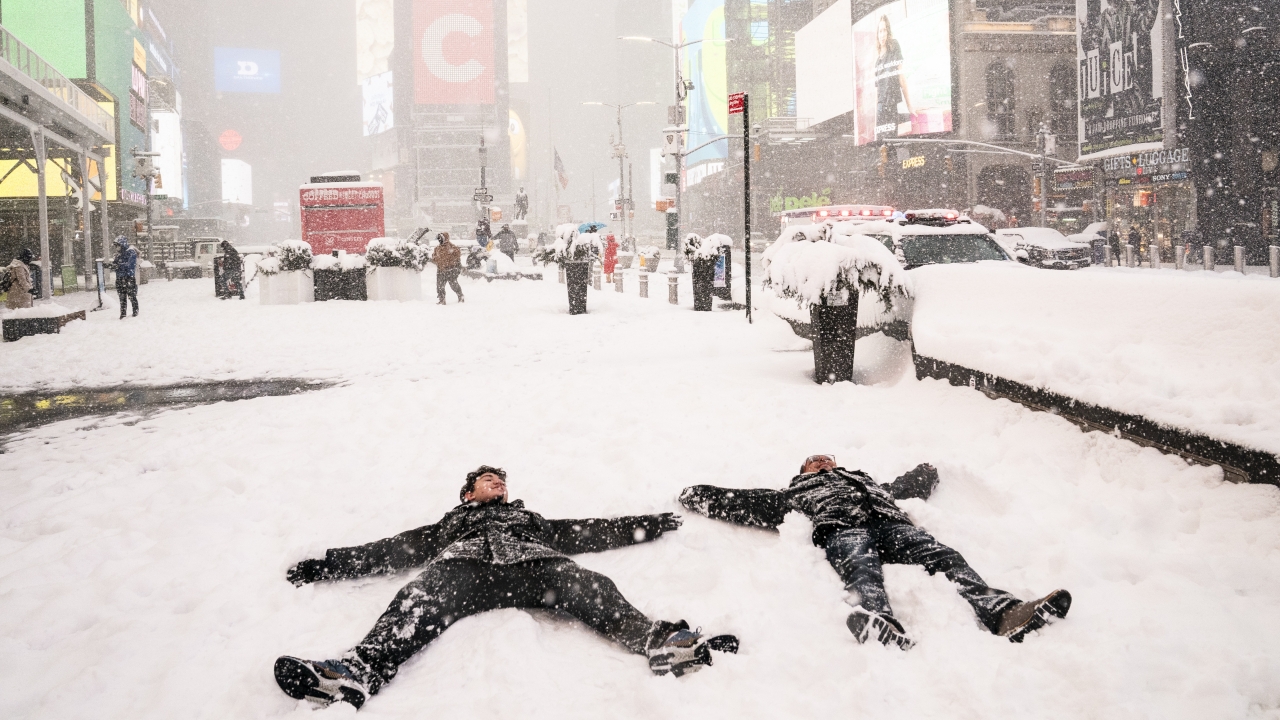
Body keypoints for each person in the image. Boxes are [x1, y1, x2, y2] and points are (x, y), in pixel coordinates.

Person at [275, 465, 737, 708]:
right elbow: (394, 549)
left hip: (536, 569)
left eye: (500, 479)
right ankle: (357, 672)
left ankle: (662, 644)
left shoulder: (528, 519)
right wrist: (328, 565)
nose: (496, 482)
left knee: (589, 582)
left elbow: (585, 531)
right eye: (486, 479)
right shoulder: (449, 526)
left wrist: (646, 523)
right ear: (468, 494)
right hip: (467, 571)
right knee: (420, 595)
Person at [679, 454, 1071, 650]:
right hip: (843, 529)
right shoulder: (794, 493)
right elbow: (743, 501)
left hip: (895, 527)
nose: (822, 461)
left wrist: (927, 470)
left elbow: (908, 485)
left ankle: (1004, 612)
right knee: (860, 567)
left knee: (945, 557)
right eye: (813, 462)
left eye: (827, 457)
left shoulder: (870, 482)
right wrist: (695, 495)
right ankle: (878, 620)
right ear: (802, 474)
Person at [873, 14, 912, 140]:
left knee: (891, 142)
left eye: (884, 30)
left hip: (891, 106)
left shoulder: (894, 47)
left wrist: (909, 105)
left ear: (888, 32)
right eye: (880, 31)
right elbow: (877, 92)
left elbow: (901, 78)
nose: (882, 34)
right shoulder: (877, 62)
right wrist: (876, 122)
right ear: (877, 34)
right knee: (882, 145)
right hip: (880, 110)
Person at [430, 232, 464, 305]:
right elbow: (433, 257)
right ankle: (442, 299)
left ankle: (460, 296)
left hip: (450, 269)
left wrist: (455, 267)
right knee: (439, 286)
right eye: (438, 239)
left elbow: (458, 256)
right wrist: (437, 260)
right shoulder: (437, 248)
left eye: (441, 239)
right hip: (440, 270)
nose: (439, 240)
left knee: (453, 284)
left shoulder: (452, 247)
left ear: (445, 238)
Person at [112, 236, 139, 318]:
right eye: (116, 246)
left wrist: (118, 266)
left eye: (118, 245)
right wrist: (111, 266)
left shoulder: (131, 252)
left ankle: (135, 311)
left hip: (128, 277)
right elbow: (115, 264)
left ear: (122, 245)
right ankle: (123, 314)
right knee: (122, 297)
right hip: (120, 278)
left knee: (131, 296)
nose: (116, 248)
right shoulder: (118, 255)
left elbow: (129, 265)